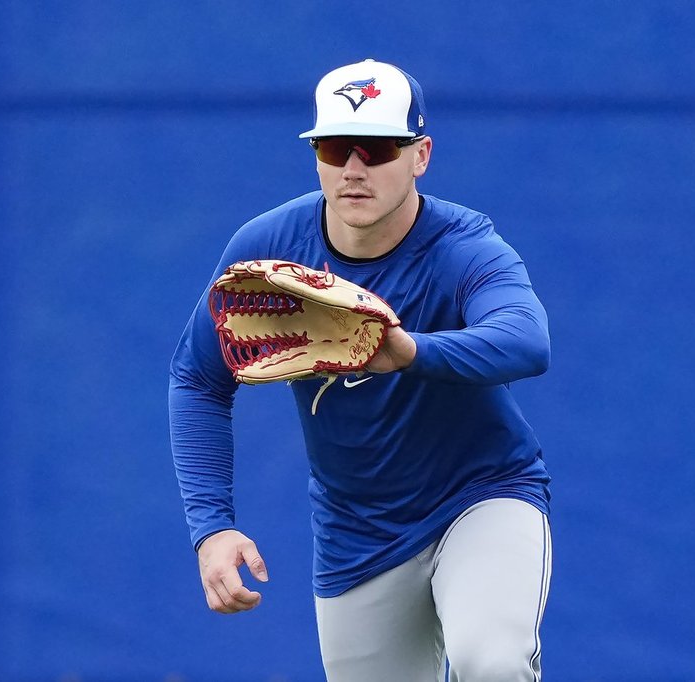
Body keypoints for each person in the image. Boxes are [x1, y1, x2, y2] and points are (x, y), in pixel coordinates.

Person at [169, 58, 553, 681]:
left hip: (480, 496)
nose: (352, 168)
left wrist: (411, 353)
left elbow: (526, 341)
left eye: (376, 148)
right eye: (334, 147)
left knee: (493, 664)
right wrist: (212, 527)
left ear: (420, 154)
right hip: (358, 530)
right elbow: (198, 380)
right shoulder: (270, 249)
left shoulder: (463, 246)